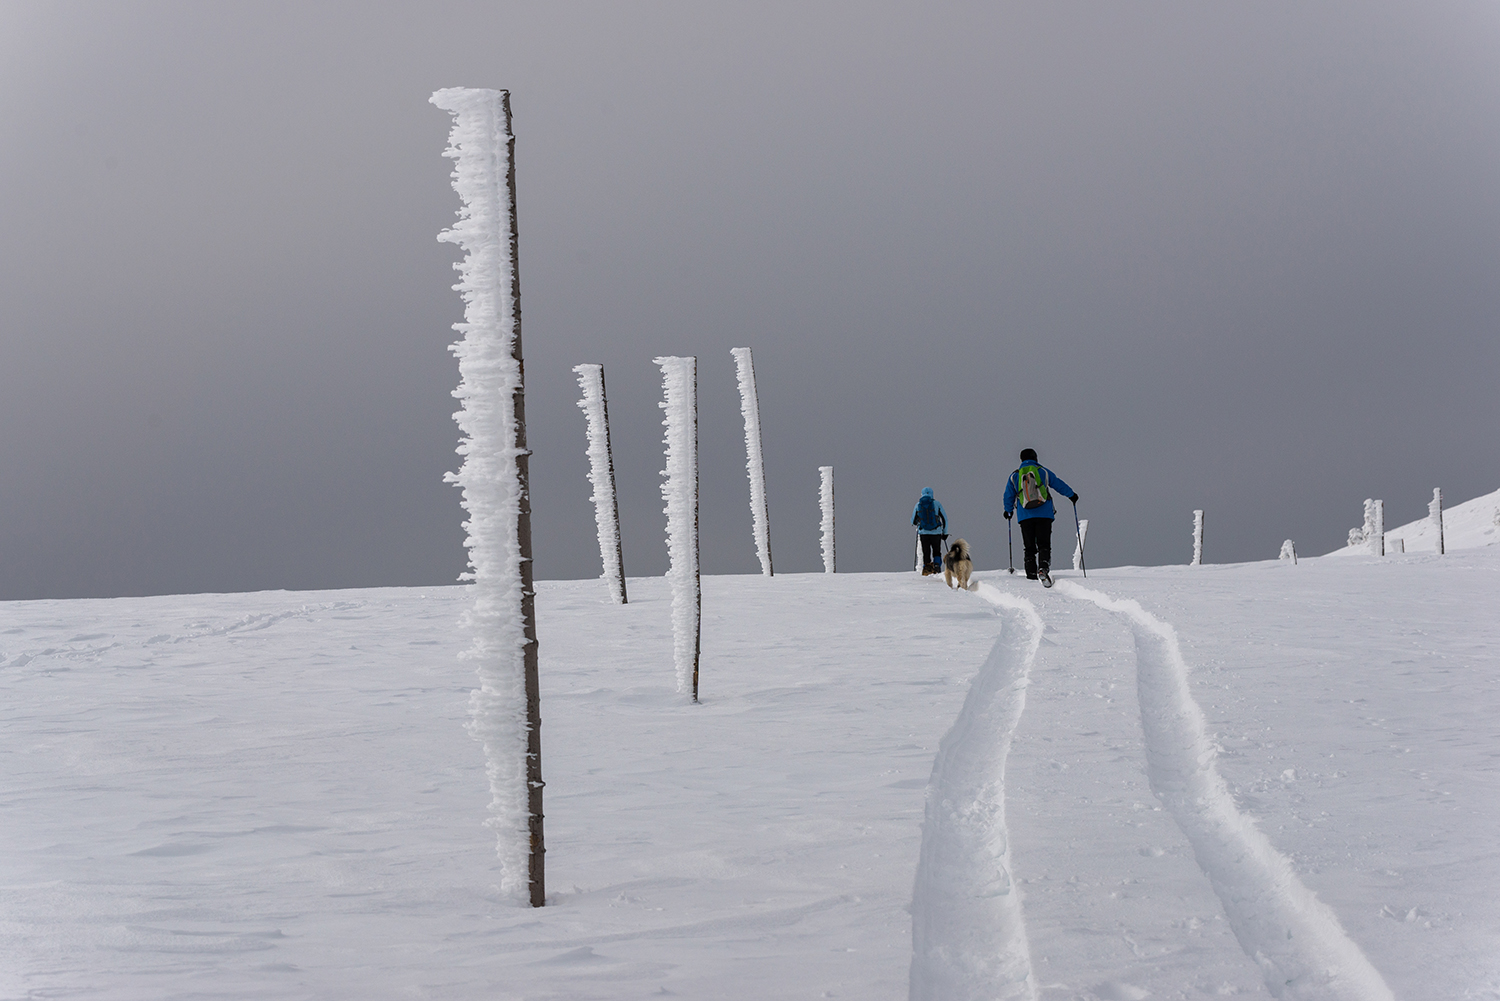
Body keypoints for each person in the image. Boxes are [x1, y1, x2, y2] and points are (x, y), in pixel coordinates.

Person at [1003, 448, 1077, 586]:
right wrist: (1071, 495)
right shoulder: (1043, 471)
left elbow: (1008, 495)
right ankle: (1043, 568)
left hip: (1025, 515)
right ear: (1035, 457)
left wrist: (1008, 511)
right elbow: (1058, 484)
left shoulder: (1015, 476)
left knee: (1029, 546)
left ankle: (1031, 574)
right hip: (1044, 514)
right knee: (1044, 544)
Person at [911, 487, 948, 576]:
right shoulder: (937, 504)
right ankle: (936, 566)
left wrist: (918, 523)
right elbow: (945, 519)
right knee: (936, 551)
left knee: (926, 552)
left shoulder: (918, 504)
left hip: (923, 533)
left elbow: (913, 520)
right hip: (936, 532)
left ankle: (927, 568)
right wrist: (945, 532)